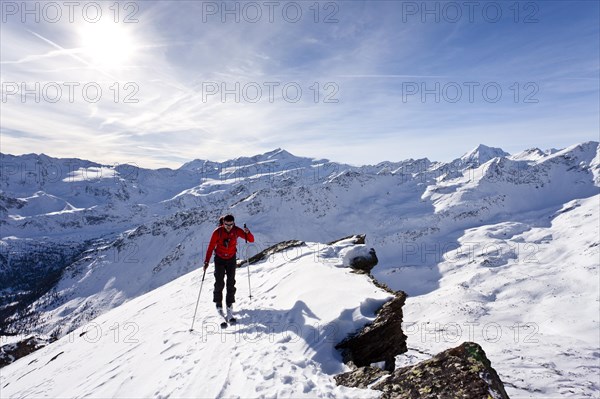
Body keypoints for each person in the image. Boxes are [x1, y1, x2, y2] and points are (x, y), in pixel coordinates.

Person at [204, 214, 254, 317]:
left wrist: (247, 233)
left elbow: (251, 240)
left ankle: (229, 304)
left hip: (231, 259)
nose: (229, 227)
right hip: (219, 259)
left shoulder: (236, 230)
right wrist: (206, 262)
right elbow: (210, 247)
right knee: (219, 283)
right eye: (227, 224)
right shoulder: (217, 232)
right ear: (223, 223)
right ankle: (218, 304)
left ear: (233, 223)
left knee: (231, 282)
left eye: (231, 224)